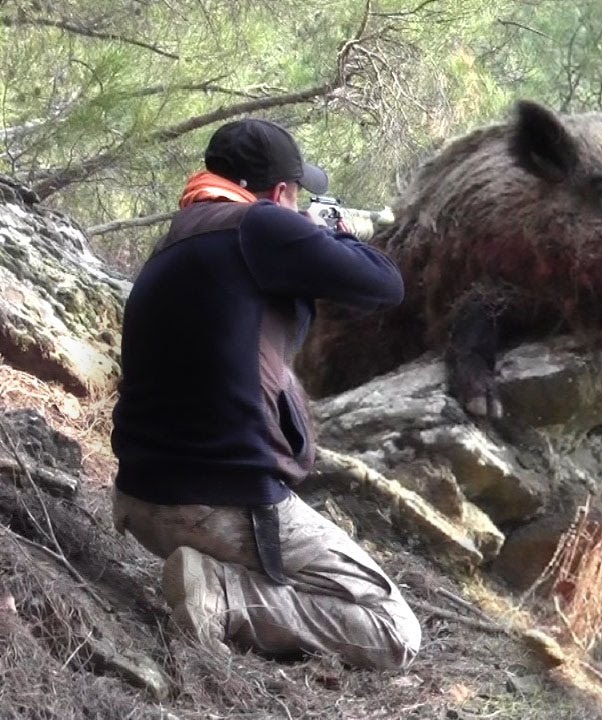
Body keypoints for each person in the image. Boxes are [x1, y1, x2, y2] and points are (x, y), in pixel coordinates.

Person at [108, 117, 420, 671]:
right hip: (216, 503)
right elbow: (385, 284)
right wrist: (334, 232)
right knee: (392, 628)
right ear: (279, 194)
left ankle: (217, 579)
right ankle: (224, 596)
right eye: (298, 195)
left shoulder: (180, 236)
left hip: (141, 495)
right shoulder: (261, 227)